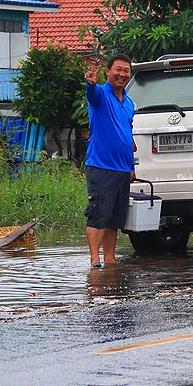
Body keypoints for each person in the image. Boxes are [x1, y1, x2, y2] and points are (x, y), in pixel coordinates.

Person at [84, 54, 135, 268]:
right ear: (108, 71)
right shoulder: (100, 94)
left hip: (123, 168)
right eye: (118, 70)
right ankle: (95, 261)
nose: (122, 74)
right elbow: (92, 93)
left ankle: (110, 259)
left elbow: (128, 134)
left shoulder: (130, 102)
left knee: (114, 218)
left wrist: (131, 166)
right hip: (101, 166)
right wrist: (91, 84)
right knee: (98, 214)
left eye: (126, 71)